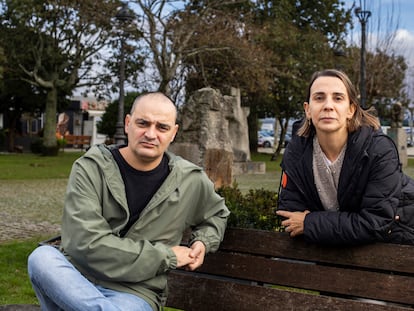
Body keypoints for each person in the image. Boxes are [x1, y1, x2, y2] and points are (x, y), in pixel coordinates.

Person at [28, 92, 230, 311]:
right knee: (42, 259)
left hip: (135, 291)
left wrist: (202, 241)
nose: (151, 134)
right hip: (77, 277)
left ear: (173, 133)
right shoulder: (91, 168)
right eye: (143, 123)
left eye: (162, 127)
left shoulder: (189, 180)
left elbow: (216, 214)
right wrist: (166, 256)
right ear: (127, 123)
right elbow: (86, 242)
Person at [276, 69, 414, 246]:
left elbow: (374, 223)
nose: (328, 105)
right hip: (334, 253)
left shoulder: (379, 150)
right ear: (308, 109)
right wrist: (346, 224)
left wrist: (309, 223)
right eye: (319, 98)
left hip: (399, 243)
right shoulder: (296, 150)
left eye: (338, 98)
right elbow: (289, 215)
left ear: (351, 110)